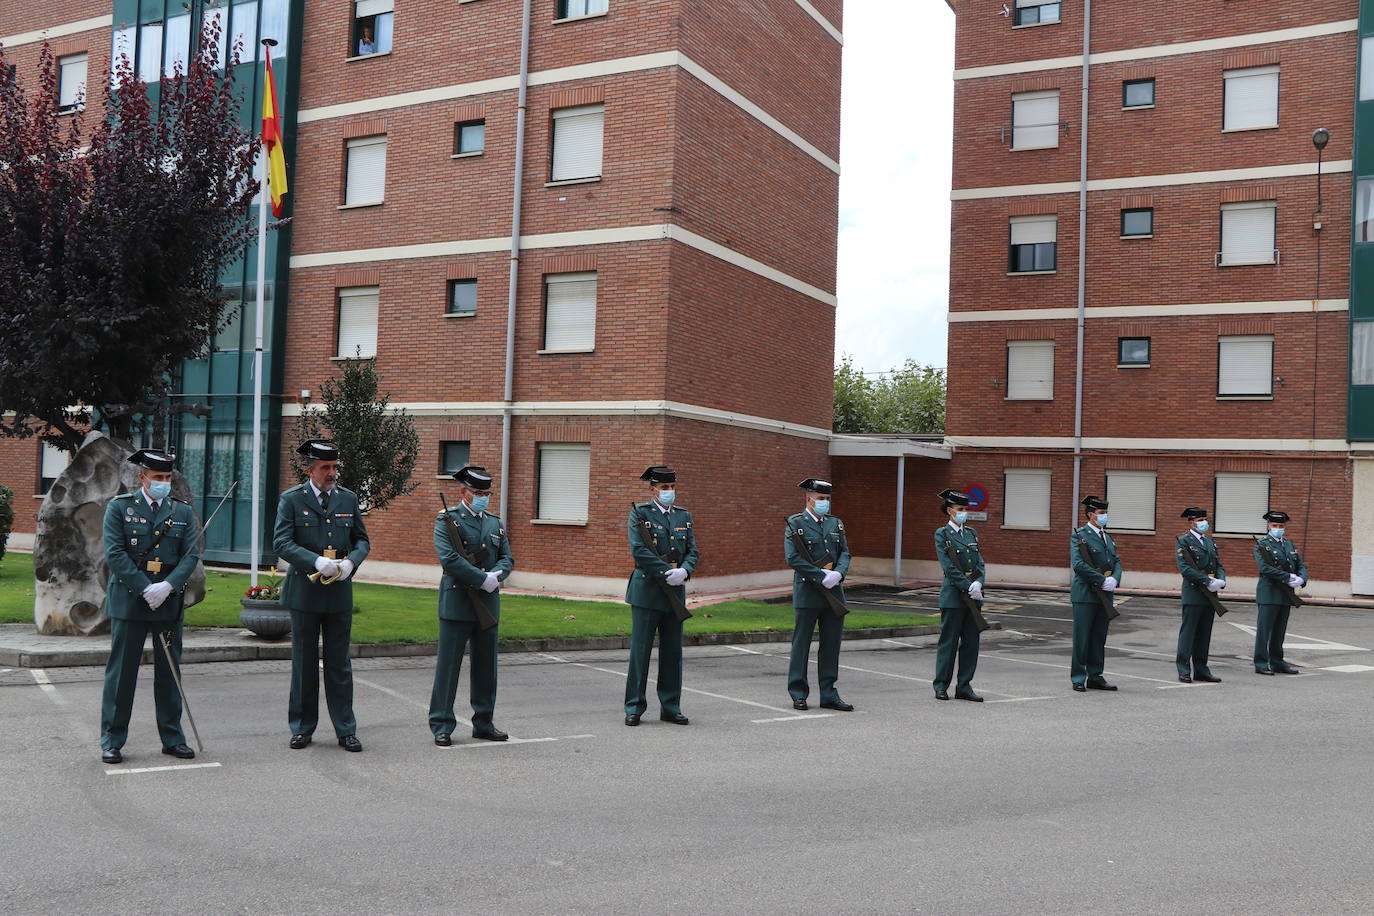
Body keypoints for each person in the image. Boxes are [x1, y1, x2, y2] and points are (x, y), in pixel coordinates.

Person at [98, 449, 200, 764]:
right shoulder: (120, 508)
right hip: (130, 601)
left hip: (168, 602)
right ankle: (112, 740)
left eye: (168, 478)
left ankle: (172, 738)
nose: (164, 483)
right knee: (122, 674)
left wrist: (167, 586)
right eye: (158, 478)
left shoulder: (182, 512)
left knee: (169, 674)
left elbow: (190, 556)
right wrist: (145, 588)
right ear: (142, 477)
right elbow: (115, 554)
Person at [272, 439, 370, 752]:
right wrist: (315, 561)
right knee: (304, 663)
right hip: (305, 592)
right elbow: (282, 542)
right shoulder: (291, 499)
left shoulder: (348, 498)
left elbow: (362, 540)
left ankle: (345, 729)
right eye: (325, 468)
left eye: (334, 467)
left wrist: (351, 561)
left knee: (339, 664)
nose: (332, 473)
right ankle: (302, 727)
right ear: (310, 469)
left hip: (338, 591)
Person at [429, 465, 513, 745]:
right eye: (478, 493)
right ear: (463, 492)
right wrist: (481, 579)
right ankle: (441, 724)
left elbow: (507, 558)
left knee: (486, 666)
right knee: (448, 667)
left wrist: (497, 576)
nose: (484, 497)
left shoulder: (494, 522)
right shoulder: (447, 520)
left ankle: (484, 722)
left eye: (487, 493)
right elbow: (449, 559)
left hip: (487, 603)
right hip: (458, 601)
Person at [624, 465, 698, 726]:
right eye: (665, 488)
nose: (669, 492)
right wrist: (666, 571)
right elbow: (639, 551)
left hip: (675, 593)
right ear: (652, 489)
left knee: (672, 653)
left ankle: (671, 706)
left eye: (672, 487)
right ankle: (634, 706)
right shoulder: (639, 514)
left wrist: (685, 571)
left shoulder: (683, 516)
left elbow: (692, 550)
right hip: (647, 591)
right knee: (640, 653)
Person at [784, 478, 854, 712]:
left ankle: (829, 693)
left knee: (831, 645)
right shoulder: (796, 523)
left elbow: (844, 552)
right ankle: (798, 693)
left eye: (827, 499)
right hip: (808, 592)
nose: (824, 503)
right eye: (820, 499)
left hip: (834, 593)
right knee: (801, 645)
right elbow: (793, 558)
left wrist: (839, 574)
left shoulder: (836, 524)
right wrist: (819, 575)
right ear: (809, 498)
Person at [933, 488, 984, 702]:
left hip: (973, 595)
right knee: (949, 643)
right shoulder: (942, 534)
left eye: (966, 509)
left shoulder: (971, 533)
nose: (964, 513)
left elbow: (979, 562)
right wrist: (967, 585)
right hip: (954, 596)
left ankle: (964, 686)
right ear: (950, 511)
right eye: (960, 509)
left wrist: (979, 582)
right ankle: (941, 685)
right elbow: (948, 567)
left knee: (971, 643)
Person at [1069, 495, 1121, 692]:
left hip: (1105, 594)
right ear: (1091, 515)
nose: (1104, 516)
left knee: (1099, 637)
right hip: (1085, 594)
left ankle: (1095, 675)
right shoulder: (1079, 536)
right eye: (1101, 513)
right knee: (1082, 638)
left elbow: (1116, 561)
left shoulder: (1107, 537)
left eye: (1106, 513)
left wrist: (1114, 579)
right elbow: (1079, 565)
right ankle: (1078, 676)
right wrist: (1101, 580)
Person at [1253, 510, 1308, 676]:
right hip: (1269, 593)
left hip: (1286, 594)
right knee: (1264, 631)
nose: (1278, 528)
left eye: (1281, 526)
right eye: (1274, 525)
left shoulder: (1290, 545)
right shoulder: (1262, 544)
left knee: (1279, 631)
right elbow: (1265, 568)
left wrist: (1301, 579)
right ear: (1269, 526)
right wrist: (1287, 576)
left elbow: (1301, 565)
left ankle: (1277, 661)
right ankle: (1261, 662)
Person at [1174, 507, 1225, 684]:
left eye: (1204, 519)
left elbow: (1218, 564)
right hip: (1194, 593)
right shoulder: (1183, 542)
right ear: (1191, 522)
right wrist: (1207, 581)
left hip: (1210, 595)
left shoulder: (1210, 542)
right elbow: (1185, 569)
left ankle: (1202, 669)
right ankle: (1184, 670)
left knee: (1204, 634)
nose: (1204, 523)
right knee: (1188, 634)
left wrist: (1221, 580)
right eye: (1199, 520)